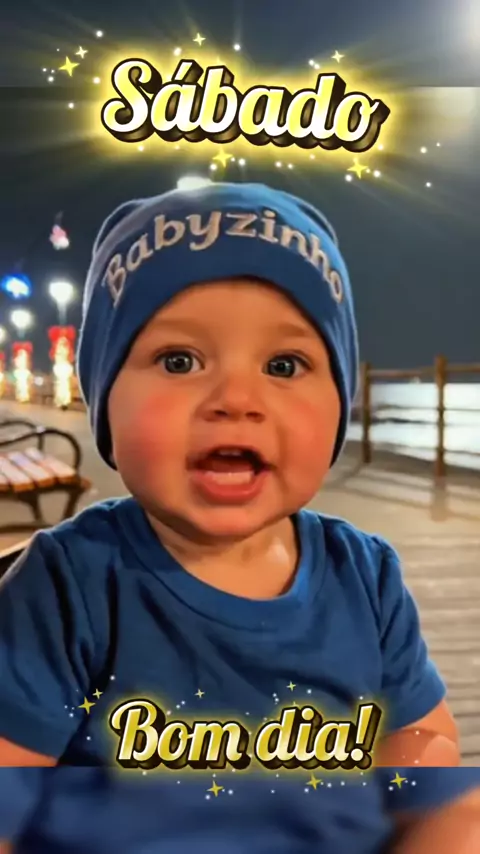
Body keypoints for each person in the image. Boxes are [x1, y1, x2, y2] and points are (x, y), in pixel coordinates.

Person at [0, 181, 479, 852]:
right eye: (179, 360)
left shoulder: (366, 578)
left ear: (340, 404)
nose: (236, 398)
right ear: (104, 399)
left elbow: (422, 742)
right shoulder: (70, 586)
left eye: (284, 364)